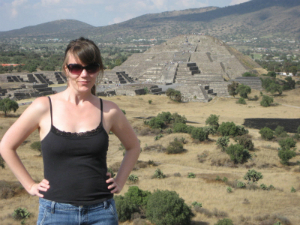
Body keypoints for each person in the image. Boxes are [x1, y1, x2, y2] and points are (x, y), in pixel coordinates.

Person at [0, 37, 140, 224]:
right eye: (76, 68)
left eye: (91, 68)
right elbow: (6, 146)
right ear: (66, 69)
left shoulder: (109, 110)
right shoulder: (43, 107)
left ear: (98, 70)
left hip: (101, 211)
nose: (84, 74)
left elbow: (134, 147)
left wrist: (120, 181)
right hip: (55, 212)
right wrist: (30, 185)